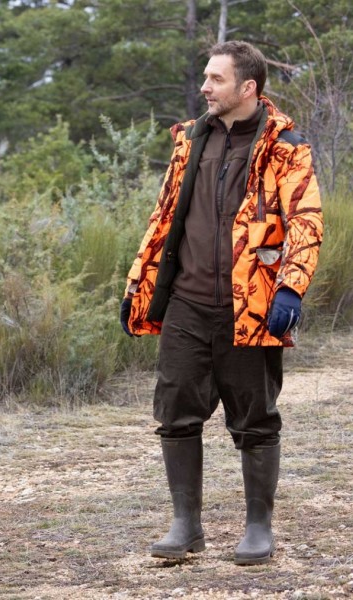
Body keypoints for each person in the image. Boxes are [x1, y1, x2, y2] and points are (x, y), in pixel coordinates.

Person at [121, 41, 323, 566]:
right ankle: (186, 525)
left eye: (216, 79)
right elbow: (164, 218)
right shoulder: (191, 140)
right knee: (176, 411)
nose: (205, 87)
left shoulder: (286, 147)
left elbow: (306, 219)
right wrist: (136, 286)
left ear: (247, 88)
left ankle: (259, 527)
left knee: (255, 417)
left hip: (251, 303)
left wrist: (290, 287)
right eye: (205, 78)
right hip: (187, 302)